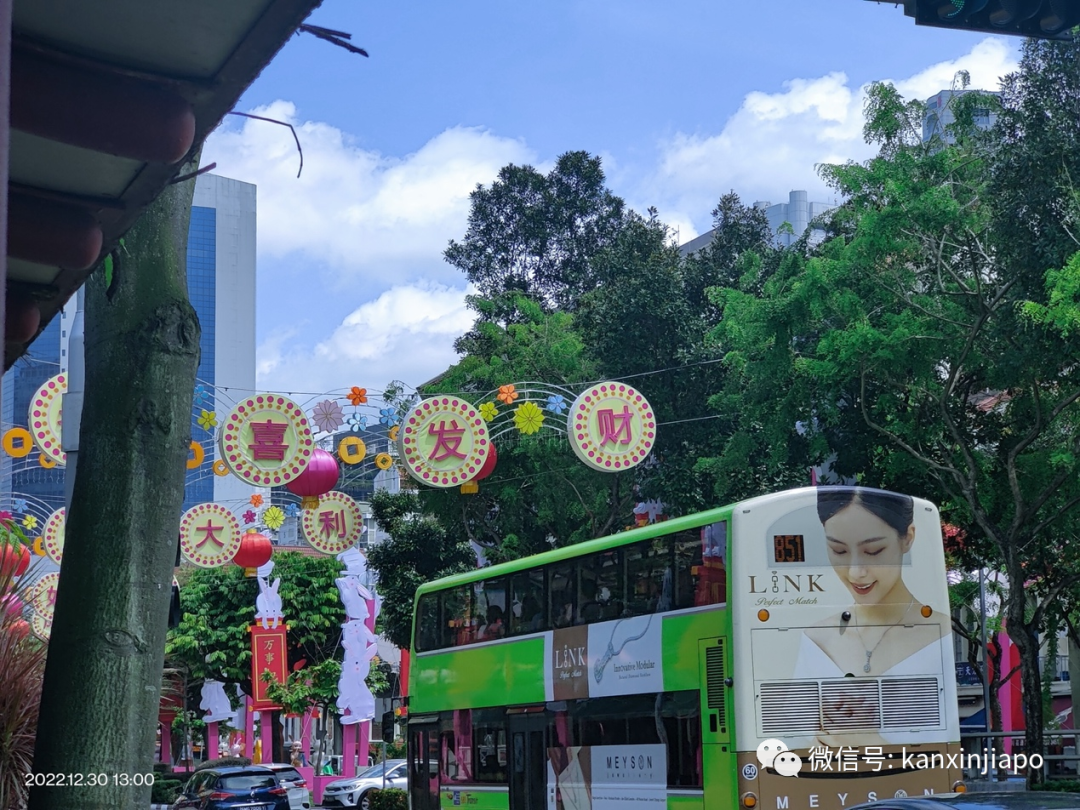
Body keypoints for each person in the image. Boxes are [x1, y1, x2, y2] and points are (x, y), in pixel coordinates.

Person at [792, 487, 950, 746]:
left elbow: (945, 754)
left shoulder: (941, 633)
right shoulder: (816, 638)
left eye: (874, 551)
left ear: (907, 537)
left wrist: (870, 743)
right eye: (839, 551)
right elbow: (792, 745)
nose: (856, 572)